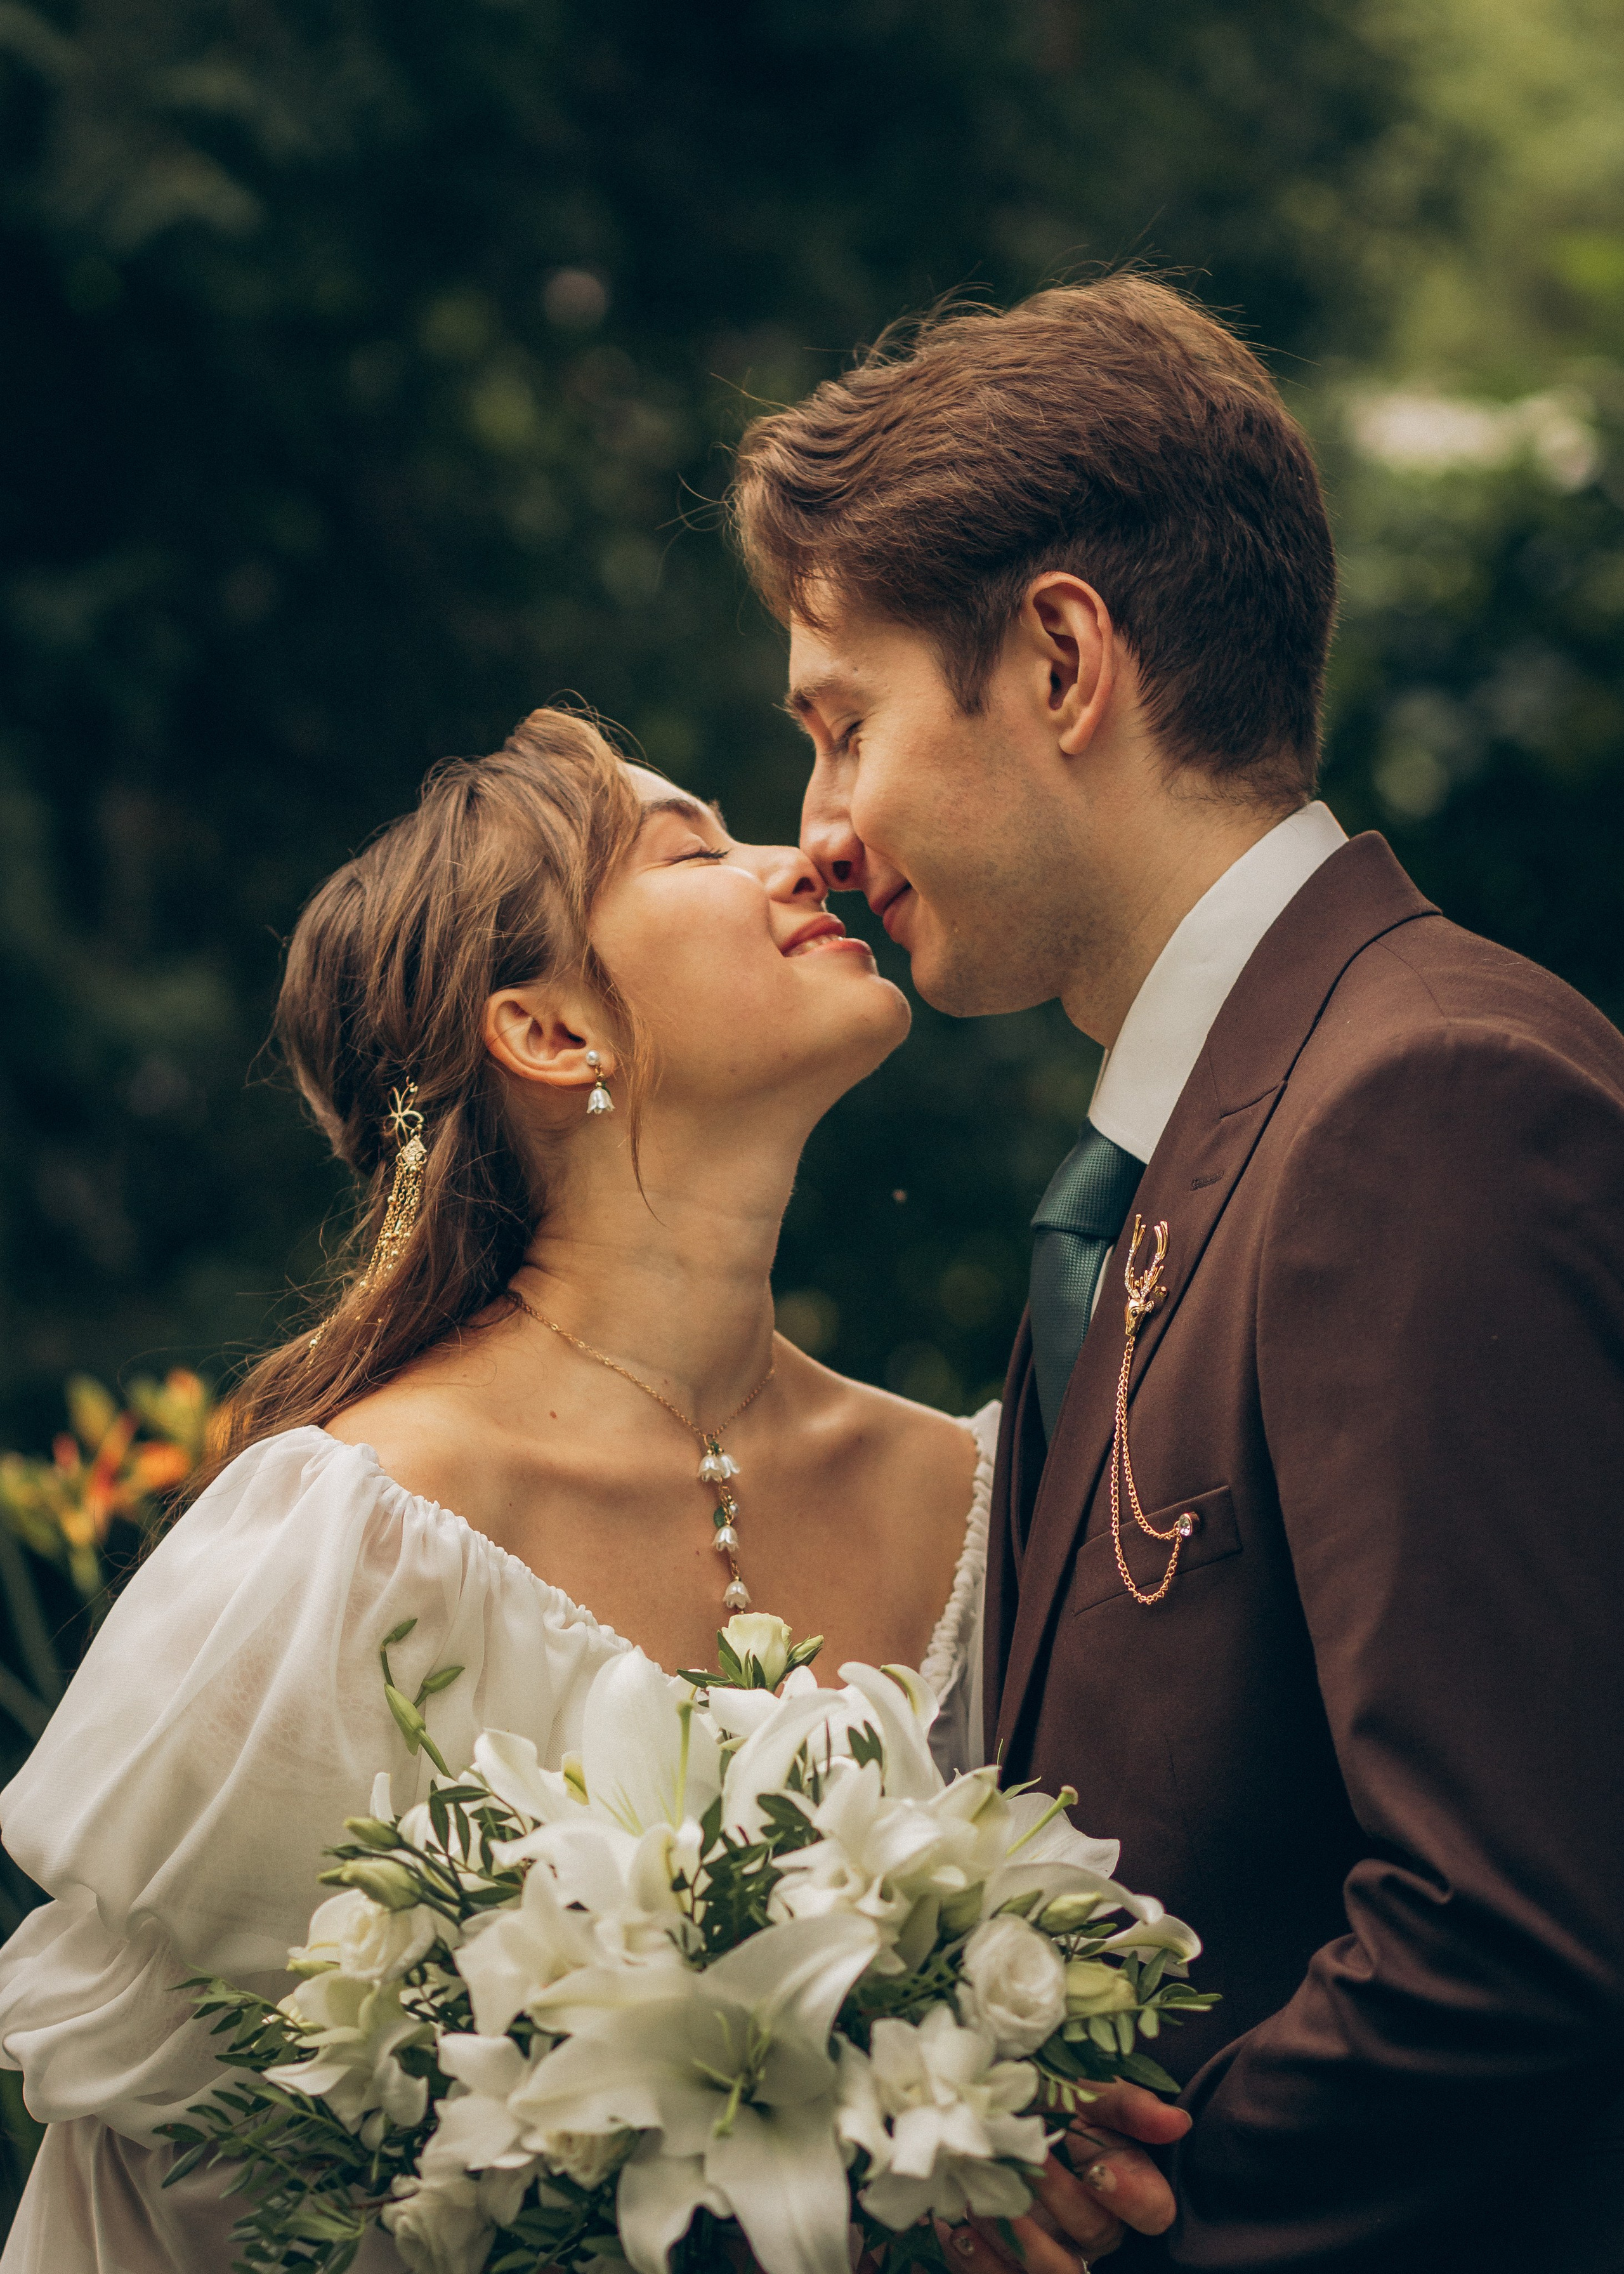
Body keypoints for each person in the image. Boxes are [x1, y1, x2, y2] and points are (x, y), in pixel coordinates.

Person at [0, 710, 1181, 2271]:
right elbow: (177, 2181)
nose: (809, 855)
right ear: (551, 1033)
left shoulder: (988, 1482)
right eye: (696, 848)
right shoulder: (342, 1543)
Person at [730, 274, 1624, 2271]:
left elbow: (1523, 1926)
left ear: (1061, 658)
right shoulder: (1185, 1150)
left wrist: (1127, 2210)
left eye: (841, 722)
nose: (823, 829)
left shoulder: (1433, 1100)